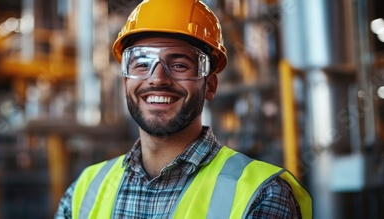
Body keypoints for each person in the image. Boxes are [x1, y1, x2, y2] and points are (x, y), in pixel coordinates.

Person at [55, 0, 312, 218]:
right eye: (142, 63)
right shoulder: (84, 191)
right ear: (126, 82)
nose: (157, 79)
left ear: (210, 85)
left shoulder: (262, 195)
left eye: (179, 65)